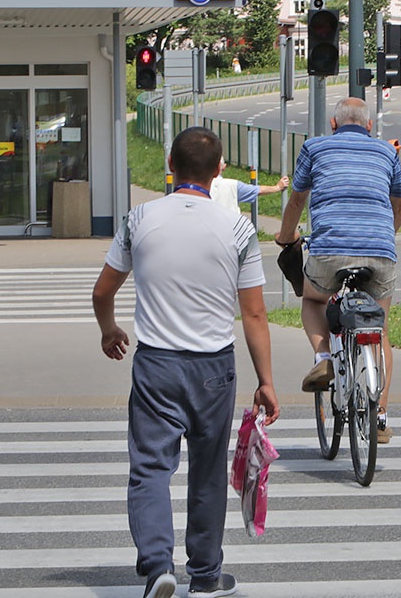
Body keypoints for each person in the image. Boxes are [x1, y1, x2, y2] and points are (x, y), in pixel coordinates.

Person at [92, 126, 279, 598]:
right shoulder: (237, 227)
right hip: (214, 367)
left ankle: (158, 566)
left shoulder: (139, 219)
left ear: (170, 166)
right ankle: (205, 575)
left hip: (156, 364)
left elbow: (102, 291)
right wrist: (266, 380)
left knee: (151, 468)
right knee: (208, 470)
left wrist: (110, 330)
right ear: (219, 172)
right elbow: (254, 312)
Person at [275, 97, 401, 444]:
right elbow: (399, 207)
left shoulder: (314, 147)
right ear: (369, 126)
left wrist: (286, 235)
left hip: (329, 250)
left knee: (313, 301)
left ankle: (323, 357)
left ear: (333, 124)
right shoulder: (387, 152)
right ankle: (380, 416)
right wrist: (382, 240)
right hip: (380, 251)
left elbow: (297, 200)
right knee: (379, 330)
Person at [209, 157, 289, 215]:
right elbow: (257, 190)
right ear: (224, 167)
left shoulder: (198, 184)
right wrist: (277, 187)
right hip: (231, 232)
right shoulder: (233, 185)